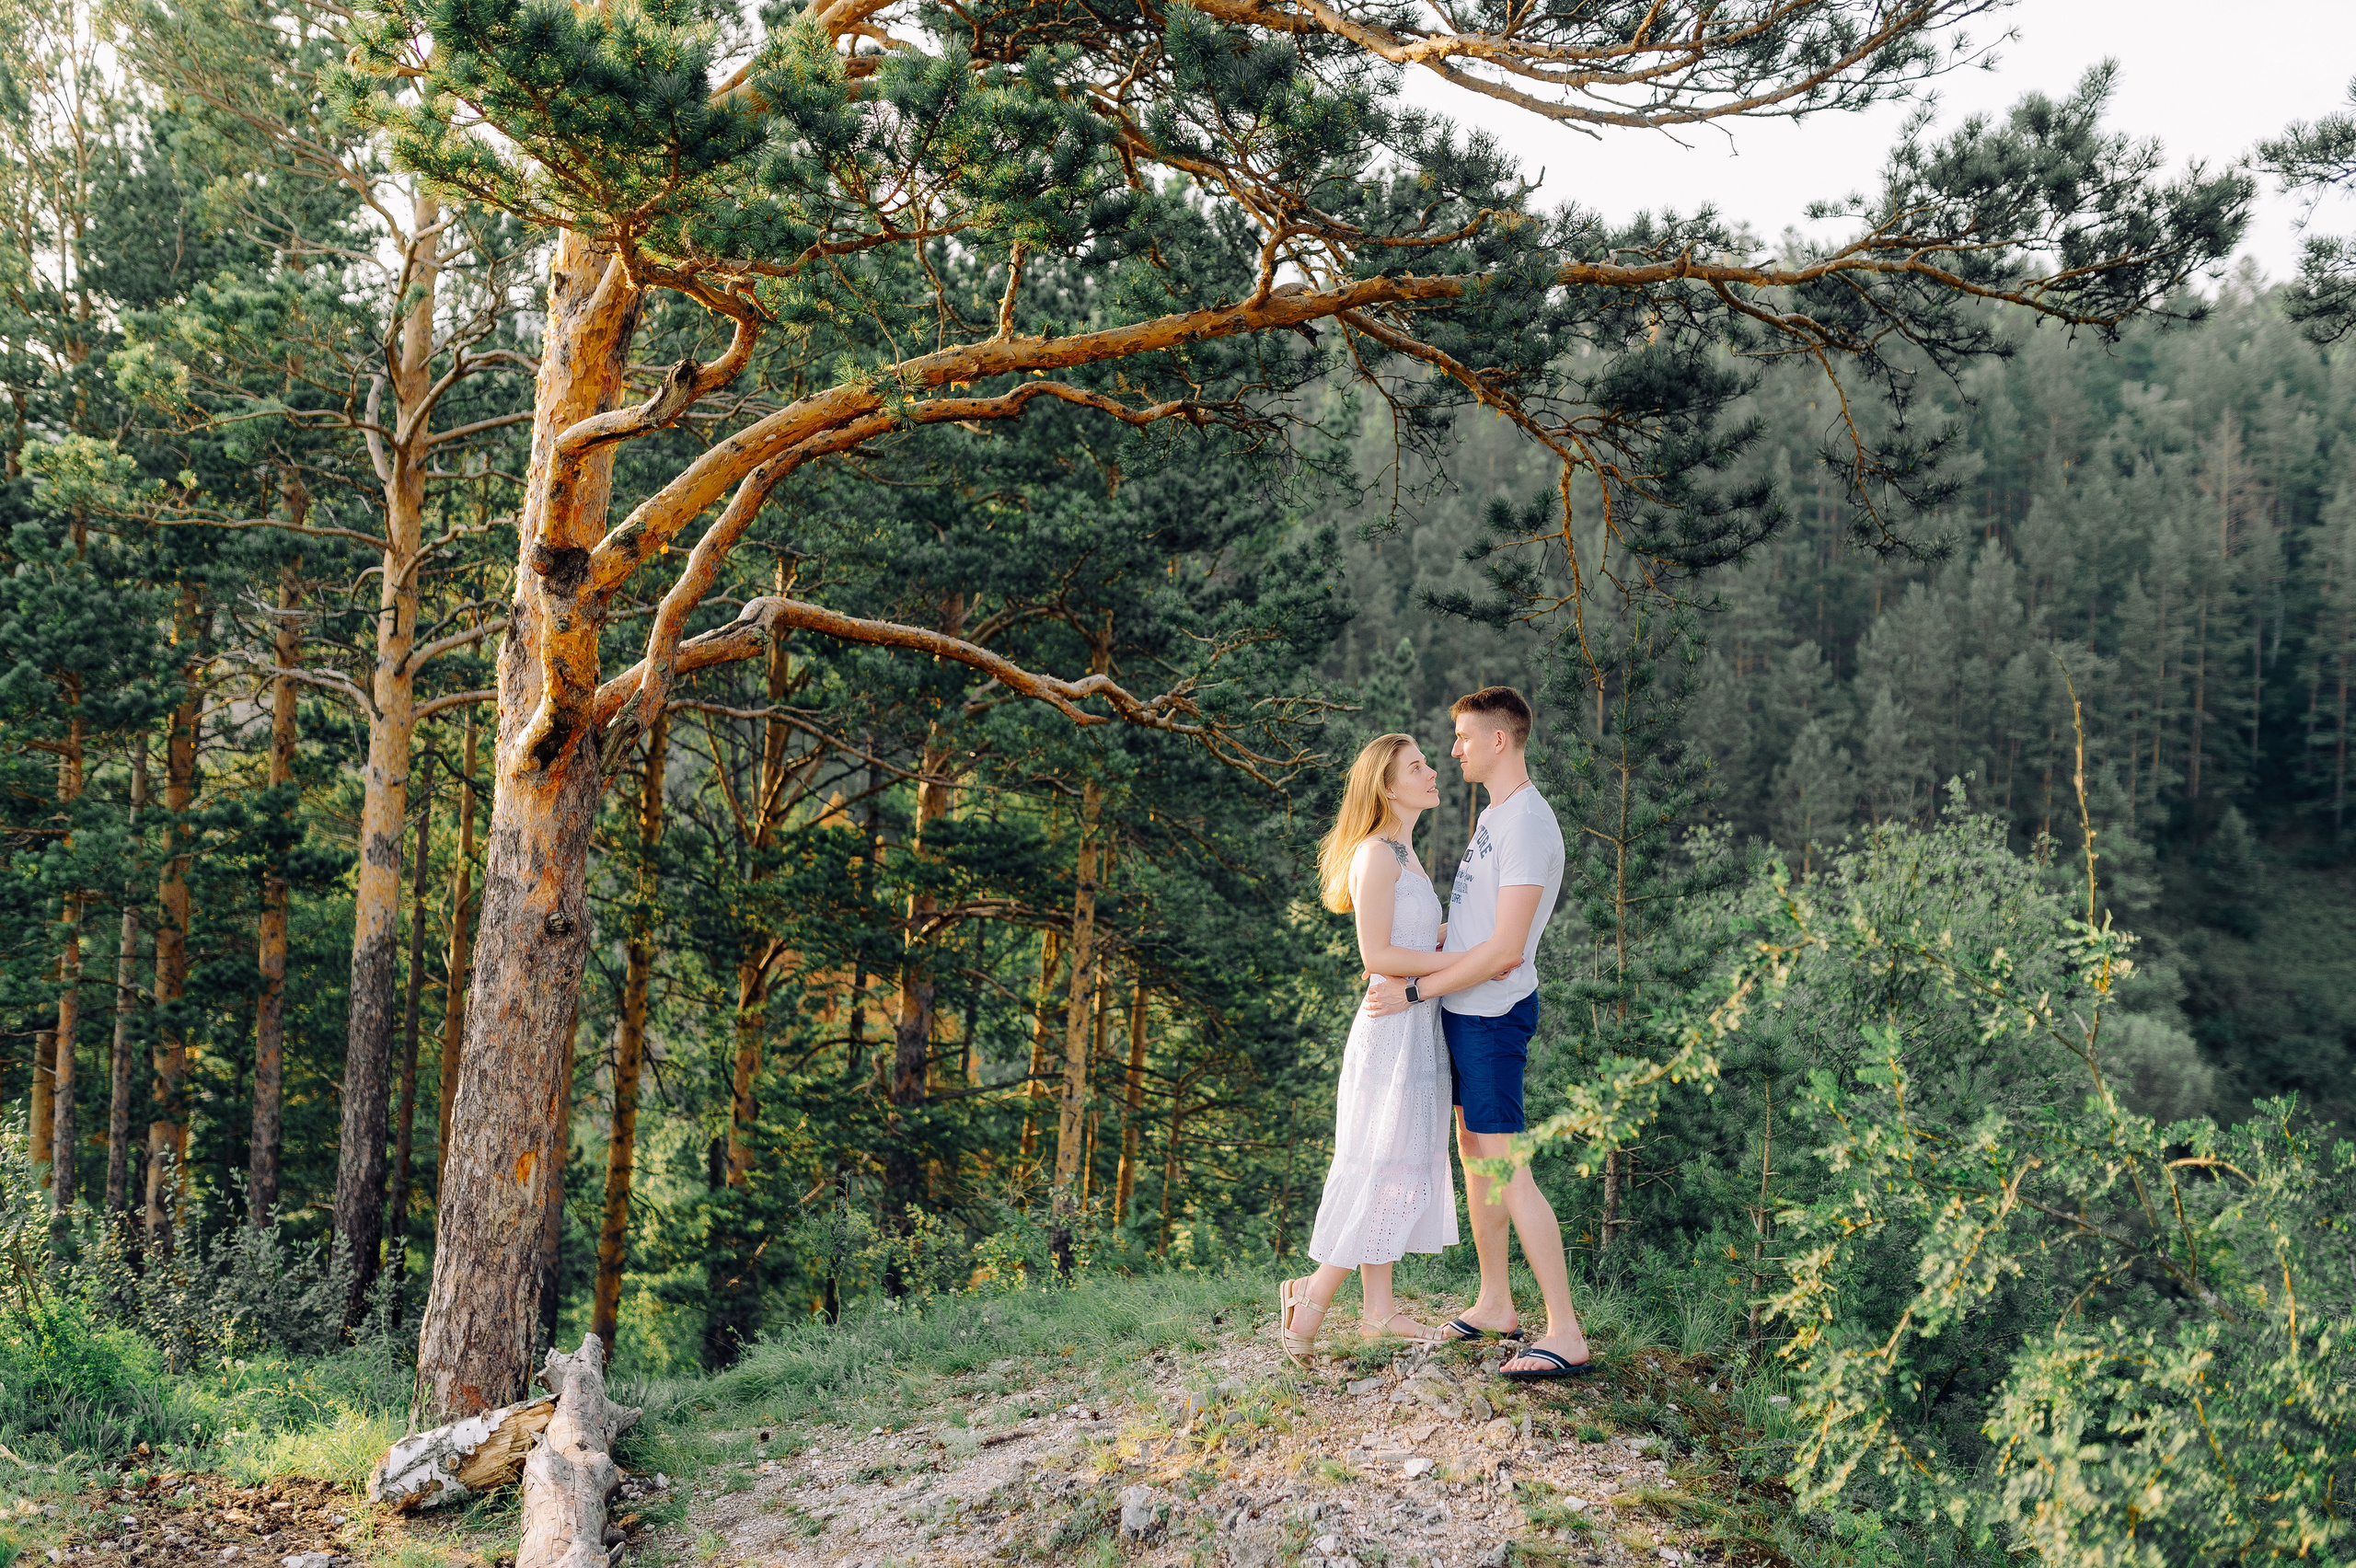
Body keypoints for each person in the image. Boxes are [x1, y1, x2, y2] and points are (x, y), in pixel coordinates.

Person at [1361, 686, 1591, 1380]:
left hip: (1491, 1016)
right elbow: (1470, 928)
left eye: (1462, 737)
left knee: (1507, 1167)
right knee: (1475, 1156)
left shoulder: (1526, 824)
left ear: (1500, 740)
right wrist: (1408, 949)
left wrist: (1412, 989)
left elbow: (1506, 950)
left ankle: (1565, 1331)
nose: (1454, 749)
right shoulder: (1495, 813)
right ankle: (1496, 1302)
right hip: (1466, 1011)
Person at [1276, 732, 1487, 1364]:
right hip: (1389, 1028)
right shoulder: (1376, 855)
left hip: (1417, 1022)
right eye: (1417, 767)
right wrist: (1470, 958)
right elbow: (1378, 956)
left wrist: (1486, 936)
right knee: (1375, 1160)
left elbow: (1422, 935)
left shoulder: (1408, 854)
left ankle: (1378, 1313)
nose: (1433, 772)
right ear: (1388, 787)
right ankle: (1308, 1297)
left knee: (1400, 1164)